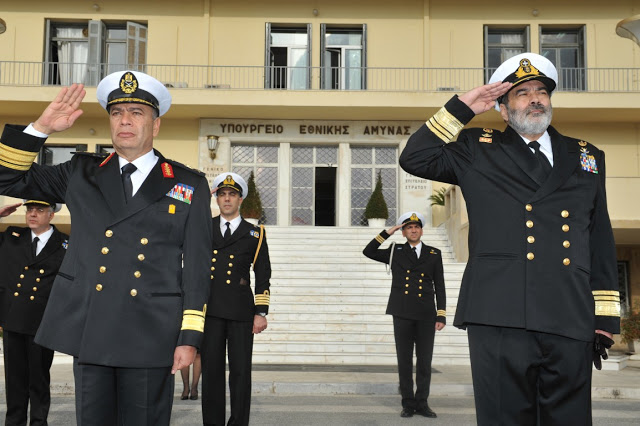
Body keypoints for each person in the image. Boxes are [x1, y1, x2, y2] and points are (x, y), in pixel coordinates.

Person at [399, 52, 620, 425]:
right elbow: (415, 158)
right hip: (499, 312)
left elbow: (599, 237)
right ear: (502, 109)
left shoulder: (586, 156)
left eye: (541, 91)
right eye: (521, 93)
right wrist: (462, 108)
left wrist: (605, 318)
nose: (534, 98)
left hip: (569, 311)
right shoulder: (476, 148)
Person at [0, 70, 213, 425]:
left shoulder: (187, 184)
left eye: (136, 113)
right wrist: (42, 128)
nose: (124, 120)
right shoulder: (80, 172)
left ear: (155, 125)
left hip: (151, 332)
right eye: (116, 113)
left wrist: (189, 337)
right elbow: (8, 177)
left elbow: (196, 266)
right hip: (92, 327)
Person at [201, 172, 272, 426]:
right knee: (211, 374)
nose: (227, 199)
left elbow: (263, 275)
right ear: (217, 200)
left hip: (241, 312)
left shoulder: (255, 233)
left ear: (240, 199)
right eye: (222, 195)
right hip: (210, 310)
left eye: (232, 194)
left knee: (241, 373)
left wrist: (260, 312)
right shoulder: (203, 228)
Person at [363, 211, 446, 419]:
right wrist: (387, 232)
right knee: (405, 360)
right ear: (403, 232)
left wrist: (441, 314)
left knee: (425, 361)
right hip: (402, 312)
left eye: (416, 227)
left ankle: (423, 403)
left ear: (421, 230)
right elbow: (368, 251)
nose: (413, 230)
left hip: (426, 313)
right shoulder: (395, 251)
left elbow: (440, 285)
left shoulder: (434, 253)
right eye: (409, 227)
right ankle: (408, 403)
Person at [0, 200, 68, 426]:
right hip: (13, 318)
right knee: (15, 381)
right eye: (30, 210)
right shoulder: (11, 236)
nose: (32, 214)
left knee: (38, 380)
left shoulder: (66, 244)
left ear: (51, 215)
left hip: (43, 322)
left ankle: (39, 423)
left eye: (39, 210)